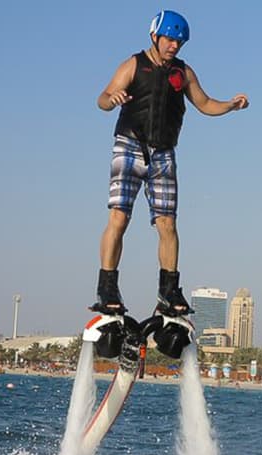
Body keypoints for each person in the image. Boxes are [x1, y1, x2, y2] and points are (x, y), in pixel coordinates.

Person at [91, 10, 249, 316]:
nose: (174, 46)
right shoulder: (134, 64)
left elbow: (204, 104)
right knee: (119, 219)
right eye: (170, 40)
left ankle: (168, 291)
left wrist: (230, 106)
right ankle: (107, 286)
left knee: (167, 224)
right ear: (155, 37)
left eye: (179, 42)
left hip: (164, 153)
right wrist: (112, 99)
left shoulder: (184, 72)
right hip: (129, 145)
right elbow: (103, 97)